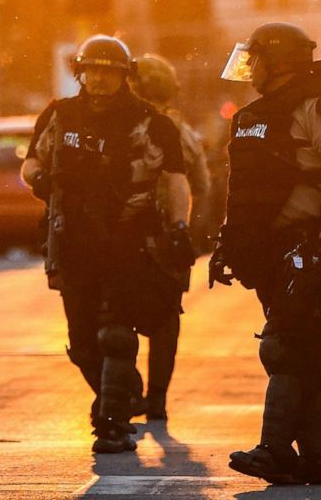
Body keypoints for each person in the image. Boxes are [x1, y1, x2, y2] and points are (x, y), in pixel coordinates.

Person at [21, 35, 194, 453]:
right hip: (73, 242)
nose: (99, 79)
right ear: (79, 73)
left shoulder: (154, 124)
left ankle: (112, 424)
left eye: (109, 72)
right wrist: (39, 180)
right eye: (92, 70)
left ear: (124, 76)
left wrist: (178, 229)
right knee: (81, 343)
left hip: (130, 242)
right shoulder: (59, 115)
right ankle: (125, 393)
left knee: (117, 334)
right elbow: (31, 164)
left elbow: (175, 181)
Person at [211, 22, 321, 485]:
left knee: (283, 347)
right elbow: (244, 190)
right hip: (266, 252)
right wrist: (227, 243)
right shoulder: (252, 114)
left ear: (277, 60)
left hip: (311, 246)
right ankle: (317, 460)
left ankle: (275, 451)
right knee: (300, 353)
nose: (250, 67)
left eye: (255, 57)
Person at [127, 52, 212, 421]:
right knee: (166, 322)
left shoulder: (126, 127)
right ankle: (156, 399)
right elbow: (204, 187)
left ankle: (128, 393)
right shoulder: (185, 133)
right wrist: (191, 232)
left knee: (117, 318)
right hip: (170, 239)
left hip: (130, 235)